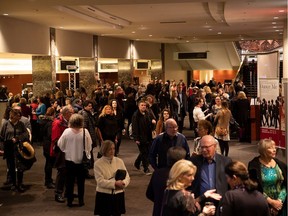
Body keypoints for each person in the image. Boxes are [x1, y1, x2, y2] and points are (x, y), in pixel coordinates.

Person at [58, 114, 92, 207]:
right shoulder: (85, 131)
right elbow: (89, 146)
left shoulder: (66, 132)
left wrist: (67, 150)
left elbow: (60, 144)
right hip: (82, 161)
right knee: (81, 182)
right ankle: (81, 200)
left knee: (69, 182)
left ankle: (69, 201)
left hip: (69, 160)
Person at [189, 135, 231, 209]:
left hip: (221, 204)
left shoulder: (226, 161)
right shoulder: (193, 161)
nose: (204, 150)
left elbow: (230, 184)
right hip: (200, 203)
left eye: (207, 147)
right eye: (202, 147)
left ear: (214, 146)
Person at [248, 139, 287, 216]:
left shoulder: (281, 164)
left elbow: (285, 184)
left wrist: (279, 201)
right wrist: (272, 202)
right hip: (263, 205)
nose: (274, 150)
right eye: (270, 148)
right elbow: (254, 187)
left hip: (281, 205)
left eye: (274, 147)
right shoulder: (254, 166)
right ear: (263, 151)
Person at [146, 146, 187, 216]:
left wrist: (160, 201)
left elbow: (149, 194)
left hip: (158, 211)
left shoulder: (157, 173)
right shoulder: (182, 176)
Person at [94, 140, 130, 216]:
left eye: (113, 148)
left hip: (118, 194)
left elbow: (127, 176)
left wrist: (124, 183)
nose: (112, 151)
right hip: (104, 195)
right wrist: (114, 183)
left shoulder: (119, 161)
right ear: (104, 150)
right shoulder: (98, 164)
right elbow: (100, 181)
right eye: (109, 149)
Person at [0, 108, 29, 192]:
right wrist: (2, 148)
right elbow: (1, 137)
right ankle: (13, 183)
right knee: (11, 166)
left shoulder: (21, 124)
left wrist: (18, 138)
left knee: (20, 166)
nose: (19, 116)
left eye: (19, 115)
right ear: (13, 116)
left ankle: (20, 183)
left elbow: (25, 134)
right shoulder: (6, 124)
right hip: (8, 147)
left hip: (19, 147)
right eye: (17, 115)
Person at [51, 105, 74, 203]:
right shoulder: (58, 123)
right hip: (61, 151)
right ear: (66, 113)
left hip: (69, 150)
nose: (73, 114)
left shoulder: (68, 122)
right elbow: (55, 139)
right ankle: (58, 193)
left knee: (69, 172)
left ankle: (68, 192)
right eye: (72, 113)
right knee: (62, 172)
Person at [132, 100, 155, 174]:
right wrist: (136, 138)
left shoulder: (147, 114)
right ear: (138, 106)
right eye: (142, 105)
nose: (143, 107)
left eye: (144, 105)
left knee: (145, 151)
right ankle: (146, 169)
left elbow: (150, 125)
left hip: (148, 136)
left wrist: (153, 123)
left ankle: (137, 163)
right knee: (144, 152)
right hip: (140, 137)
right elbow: (135, 128)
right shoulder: (136, 115)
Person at [79, 100, 98, 178]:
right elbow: (85, 127)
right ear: (85, 106)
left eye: (91, 106)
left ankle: (86, 172)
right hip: (87, 137)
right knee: (87, 155)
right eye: (89, 106)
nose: (91, 107)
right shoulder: (85, 114)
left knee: (88, 155)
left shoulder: (88, 113)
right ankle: (85, 173)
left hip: (89, 135)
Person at [38, 107, 56, 189]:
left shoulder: (42, 121)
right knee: (49, 163)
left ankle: (48, 180)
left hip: (45, 144)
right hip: (49, 145)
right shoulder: (50, 123)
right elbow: (50, 135)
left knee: (48, 163)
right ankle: (48, 181)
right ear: (53, 114)